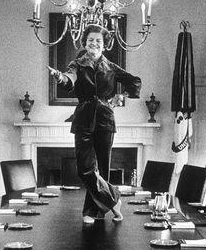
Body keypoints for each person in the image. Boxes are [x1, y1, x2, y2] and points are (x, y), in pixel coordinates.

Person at [48, 24, 141, 224]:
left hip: (106, 120)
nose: (94, 43)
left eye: (98, 41)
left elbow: (134, 82)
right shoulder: (77, 64)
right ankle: (114, 199)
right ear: (85, 43)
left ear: (104, 45)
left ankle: (93, 212)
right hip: (83, 119)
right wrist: (59, 77)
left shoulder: (111, 67)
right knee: (85, 169)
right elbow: (69, 79)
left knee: (104, 169)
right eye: (91, 40)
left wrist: (120, 97)